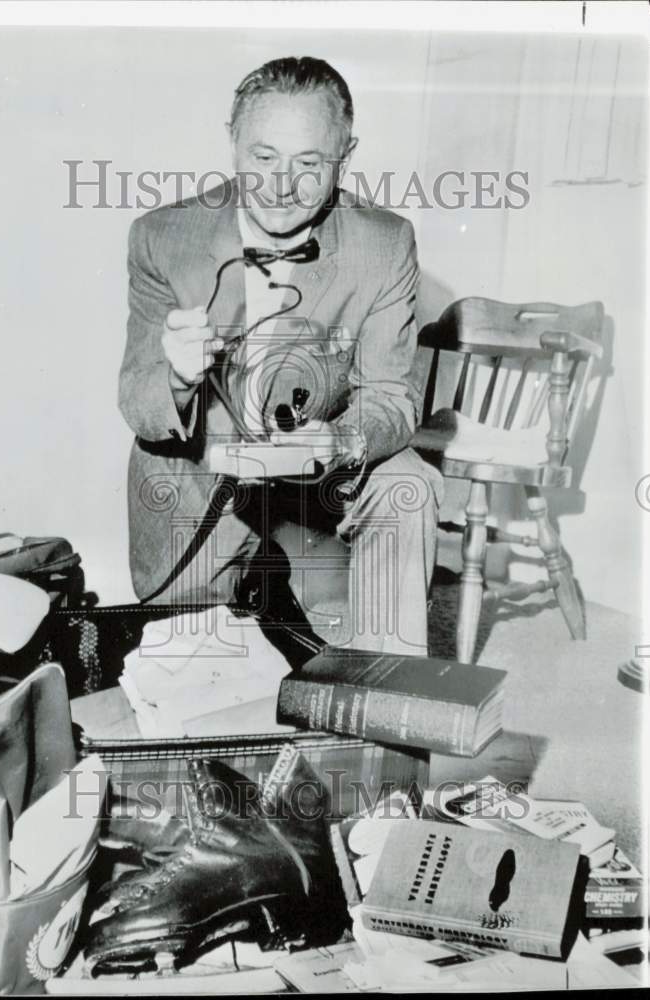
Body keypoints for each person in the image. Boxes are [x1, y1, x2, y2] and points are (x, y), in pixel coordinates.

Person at [118, 56, 443, 654]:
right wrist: (179, 377)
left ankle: (381, 699)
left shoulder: (386, 242)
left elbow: (391, 400)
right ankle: (258, 594)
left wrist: (342, 442)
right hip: (202, 474)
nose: (281, 186)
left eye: (309, 163)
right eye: (263, 159)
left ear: (346, 154)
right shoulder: (161, 237)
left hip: (327, 469)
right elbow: (138, 406)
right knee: (193, 676)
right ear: (232, 143)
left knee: (409, 485)